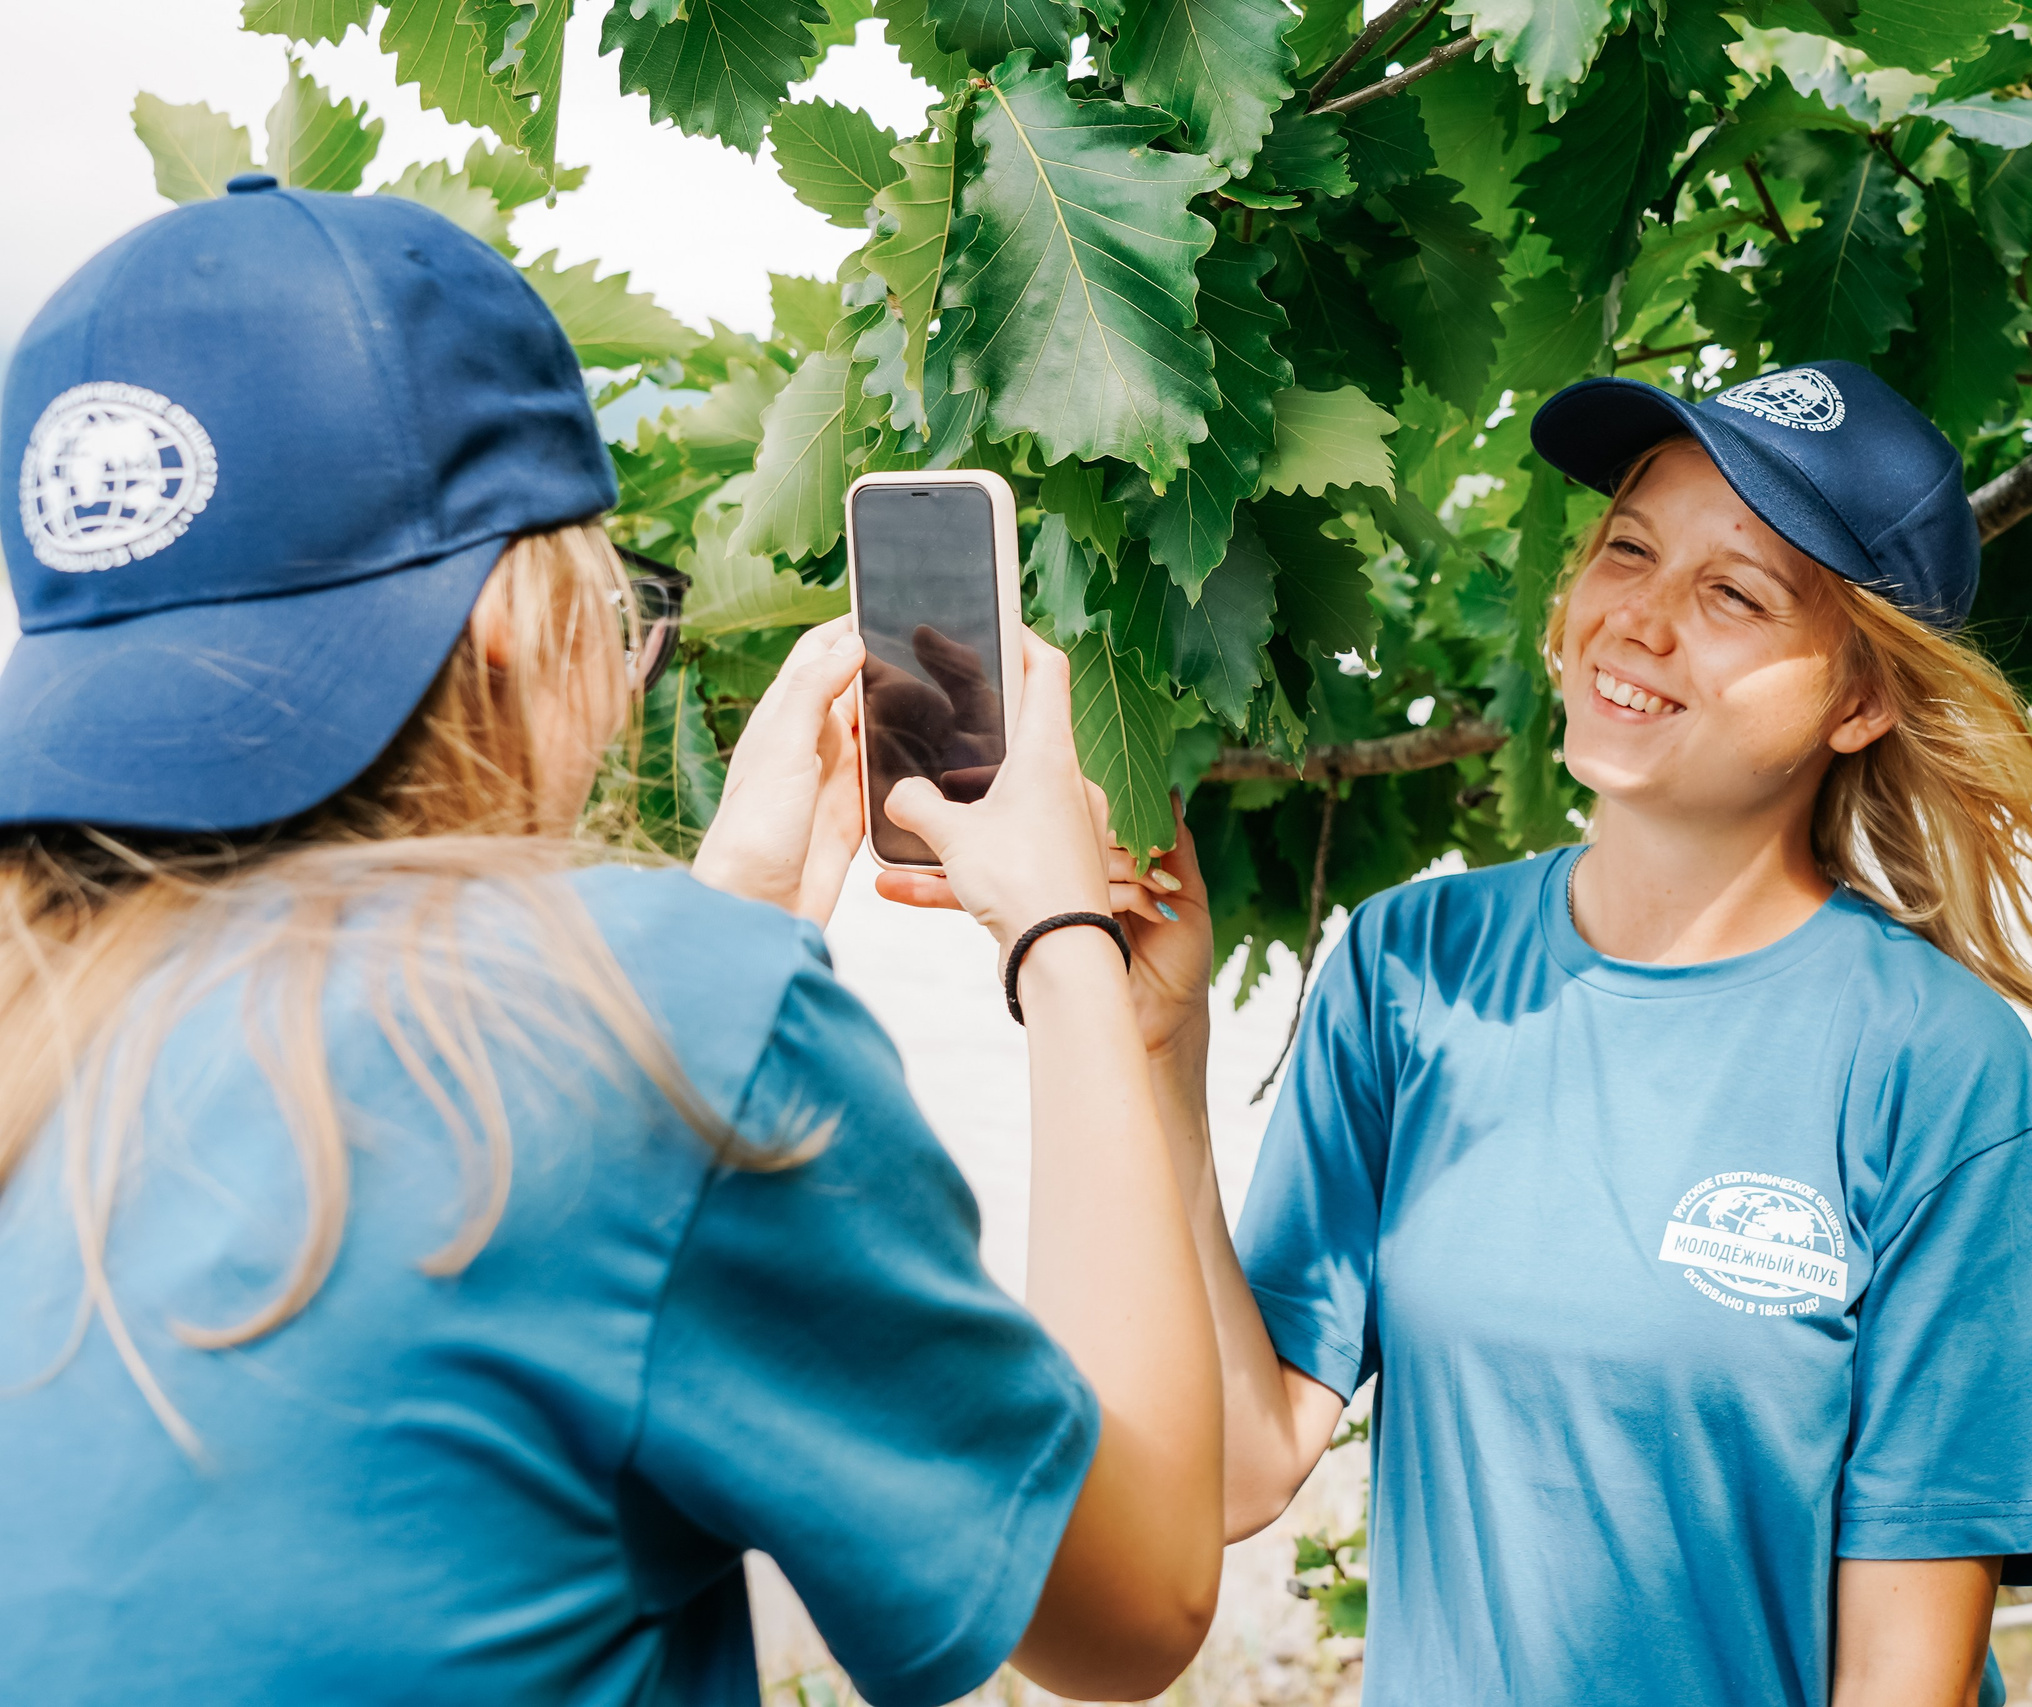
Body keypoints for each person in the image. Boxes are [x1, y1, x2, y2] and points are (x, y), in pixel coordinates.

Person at [0, 177, 1221, 1705]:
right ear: (525, 629)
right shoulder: (651, 1025)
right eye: (630, 613)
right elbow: (1142, 1599)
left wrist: (727, 911)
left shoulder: (49, 1030)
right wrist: (1062, 933)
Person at [1116, 363, 2032, 1705]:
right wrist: (1160, 1054)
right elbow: (1244, 1465)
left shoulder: (1933, 1068)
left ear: (1860, 702)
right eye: (1628, 549)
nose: (1641, 621)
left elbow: (1909, 1680)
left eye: (1734, 594)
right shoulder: (1409, 971)